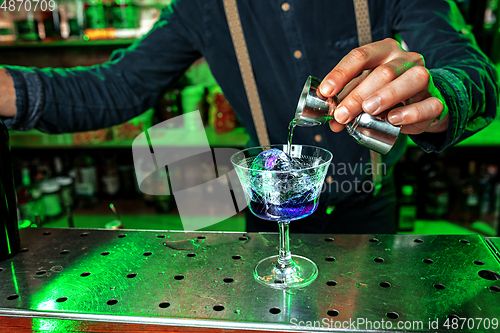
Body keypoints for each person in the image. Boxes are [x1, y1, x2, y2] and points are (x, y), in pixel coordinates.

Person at [0, 0, 497, 234]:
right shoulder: (201, 9)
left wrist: (437, 99)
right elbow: (120, 87)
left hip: (366, 211)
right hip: (268, 216)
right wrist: (9, 92)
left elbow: (476, 72)